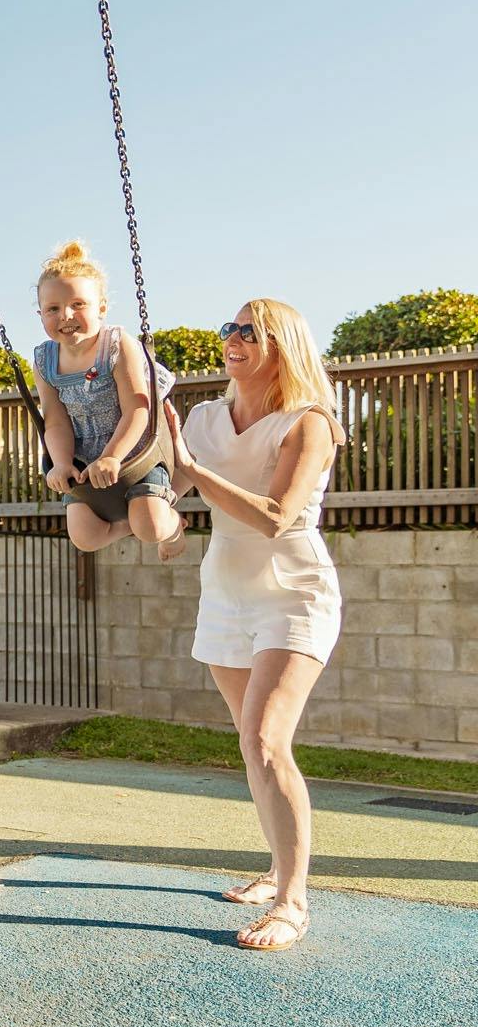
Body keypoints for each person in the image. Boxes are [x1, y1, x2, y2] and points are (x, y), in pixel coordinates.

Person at [164, 297, 345, 951]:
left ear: (283, 346)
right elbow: (164, 490)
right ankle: (275, 870)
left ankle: (293, 903)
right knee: (250, 743)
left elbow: (275, 514)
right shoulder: (205, 417)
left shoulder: (309, 422)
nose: (234, 339)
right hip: (225, 597)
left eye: (251, 331)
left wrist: (194, 473)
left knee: (268, 740)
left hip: (293, 596)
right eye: (230, 329)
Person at [31, 240, 179, 553]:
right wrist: (60, 463)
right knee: (85, 538)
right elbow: (55, 420)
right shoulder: (45, 360)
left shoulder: (116, 344)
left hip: (135, 448)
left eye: (78, 305)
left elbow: (138, 408)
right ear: (40, 314)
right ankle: (127, 527)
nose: (66, 315)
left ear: (101, 307)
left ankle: (174, 527)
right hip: (85, 458)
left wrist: (113, 456)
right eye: (53, 309)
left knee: (151, 527)